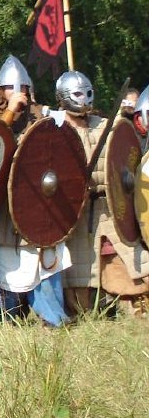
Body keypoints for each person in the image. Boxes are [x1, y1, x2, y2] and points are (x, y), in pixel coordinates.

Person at [0, 55, 70, 326]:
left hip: (40, 204)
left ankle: (53, 318)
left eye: (23, 88)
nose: (18, 92)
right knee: (10, 264)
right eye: (11, 88)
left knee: (44, 261)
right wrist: (10, 112)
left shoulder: (44, 117)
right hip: (4, 209)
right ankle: (7, 318)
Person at [60, 71, 149, 317]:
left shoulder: (105, 126)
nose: (84, 98)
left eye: (87, 93)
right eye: (77, 93)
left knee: (132, 263)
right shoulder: (56, 128)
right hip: (77, 216)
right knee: (79, 285)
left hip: (111, 208)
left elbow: (124, 158)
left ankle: (135, 305)